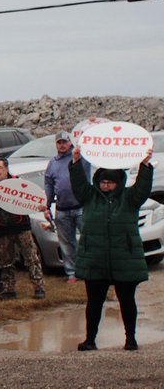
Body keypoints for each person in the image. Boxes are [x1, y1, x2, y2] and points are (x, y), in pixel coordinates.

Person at [72, 146, 153, 351]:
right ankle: (90, 339)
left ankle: (131, 339)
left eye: (110, 182)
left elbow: (143, 187)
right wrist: (75, 162)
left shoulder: (129, 198)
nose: (106, 185)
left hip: (124, 259)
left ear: (118, 183)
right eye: (102, 182)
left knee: (127, 301)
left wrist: (144, 165)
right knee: (94, 303)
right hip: (95, 260)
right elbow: (78, 184)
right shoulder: (90, 197)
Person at [0, 158, 45, 300]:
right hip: (1, 229)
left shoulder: (17, 182)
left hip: (21, 227)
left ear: (6, 169)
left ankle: (39, 287)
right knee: (5, 261)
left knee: (31, 258)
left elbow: (32, 199)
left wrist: (40, 206)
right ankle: (8, 289)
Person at [43, 131, 90, 282]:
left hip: (81, 206)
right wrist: (46, 205)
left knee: (88, 239)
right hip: (62, 209)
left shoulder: (80, 158)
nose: (62, 145)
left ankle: (90, 270)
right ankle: (72, 272)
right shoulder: (53, 163)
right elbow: (49, 184)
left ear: (70, 142)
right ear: (56, 144)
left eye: (65, 142)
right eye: (59, 142)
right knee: (66, 242)